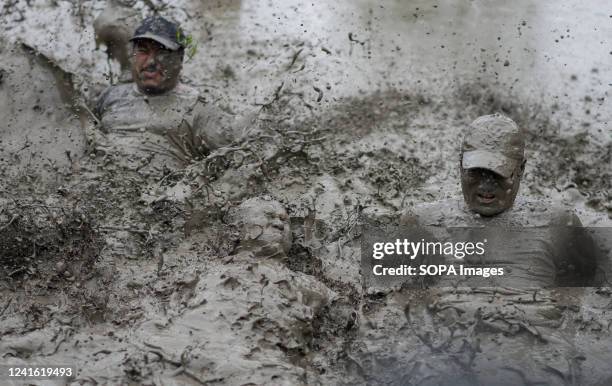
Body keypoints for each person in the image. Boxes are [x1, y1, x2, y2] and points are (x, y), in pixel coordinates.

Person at [393, 113, 599, 385]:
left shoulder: (558, 222)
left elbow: (582, 286)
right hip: (449, 356)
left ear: (522, 169)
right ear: (459, 166)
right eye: (476, 173)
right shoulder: (421, 222)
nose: (486, 186)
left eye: (498, 174)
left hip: (534, 357)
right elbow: (401, 296)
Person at [92, 16, 250, 173]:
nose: (151, 62)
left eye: (162, 52)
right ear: (132, 55)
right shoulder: (111, 96)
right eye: (143, 51)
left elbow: (239, 162)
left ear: (180, 59)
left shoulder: (198, 108)